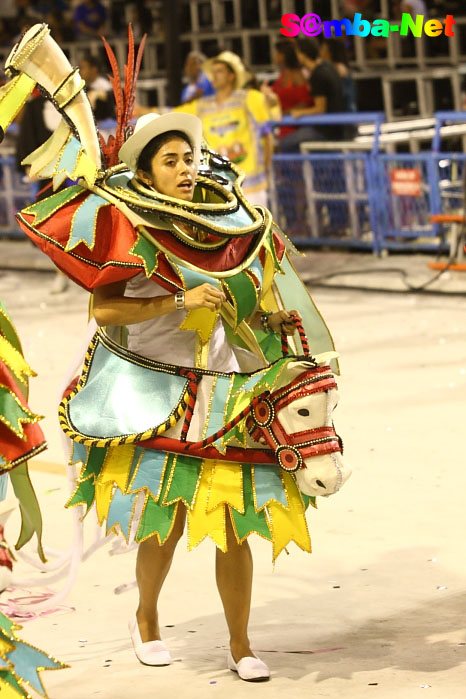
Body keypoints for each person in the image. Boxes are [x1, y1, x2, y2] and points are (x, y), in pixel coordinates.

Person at [2, 27, 344, 684]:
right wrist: (173, 304)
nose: (186, 168)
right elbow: (103, 311)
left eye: (190, 157)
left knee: (235, 523)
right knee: (164, 520)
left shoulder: (224, 227)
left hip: (221, 391)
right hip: (150, 391)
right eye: (170, 161)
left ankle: (241, 641)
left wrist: (265, 320)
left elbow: (250, 298)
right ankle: (148, 618)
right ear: (148, 171)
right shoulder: (129, 228)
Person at [176, 51, 274, 207]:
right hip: (220, 186)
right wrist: (145, 111)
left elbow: (270, 128)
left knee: (258, 228)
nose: (214, 76)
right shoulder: (202, 106)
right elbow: (173, 113)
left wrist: (267, 168)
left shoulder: (250, 98)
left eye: (219, 71)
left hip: (251, 184)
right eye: (213, 72)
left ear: (231, 75)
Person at [278, 37, 346, 152]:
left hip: (326, 130)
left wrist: (299, 112)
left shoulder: (317, 75)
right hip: (336, 127)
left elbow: (320, 109)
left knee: (285, 143)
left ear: (302, 55)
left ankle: (297, 170)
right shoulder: (327, 67)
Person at [268, 40, 313, 141]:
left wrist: (285, 112)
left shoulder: (297, 75)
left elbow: (306, 102)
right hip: (282, 124)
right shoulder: (283, 73)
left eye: (278, 53)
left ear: (284, 55)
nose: (275, 56)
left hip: (295, 125)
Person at [320, 38, 357, 114]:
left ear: (330, 52)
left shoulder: (340, 68)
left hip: (344, 113)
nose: (320, 52)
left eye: (323, 49)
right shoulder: (326, 68)